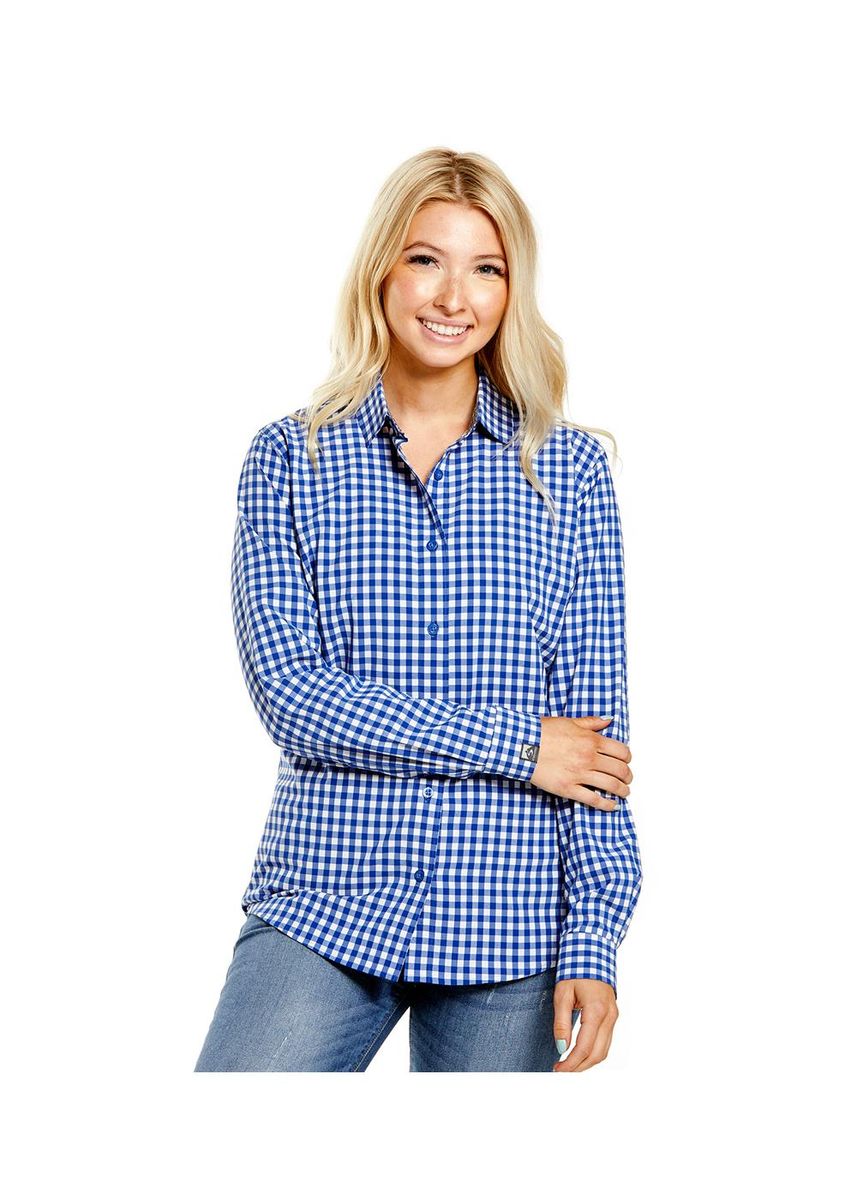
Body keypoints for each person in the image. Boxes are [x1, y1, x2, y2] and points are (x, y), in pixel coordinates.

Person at [194, 147, 643, 1073]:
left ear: (511, 292)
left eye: (486, 269)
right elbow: (295, 700)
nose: (452, 296)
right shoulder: (288, 461)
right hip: (324, 900)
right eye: (425, 259)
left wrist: (593, 938)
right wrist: (520, 745)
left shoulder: (569, 473)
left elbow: (593, 741)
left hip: (510, 920)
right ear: (380, 272)